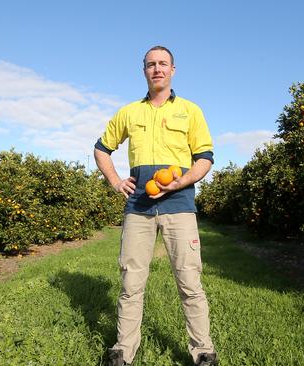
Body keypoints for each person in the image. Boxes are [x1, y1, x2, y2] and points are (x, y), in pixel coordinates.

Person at [93, 46, 217, 366]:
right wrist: (116, 181)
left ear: (173, 70)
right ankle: (123, 349)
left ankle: (203, 351)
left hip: (179, 201)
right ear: (144, 70)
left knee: (189, 280)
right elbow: (101, 149)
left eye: (163, 64)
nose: (157, 69)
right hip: (138, 205)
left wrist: (182, 181)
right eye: (151, 64)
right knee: (131, 281)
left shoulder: (190, 110)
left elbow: (204, 158)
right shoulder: (129, 112)